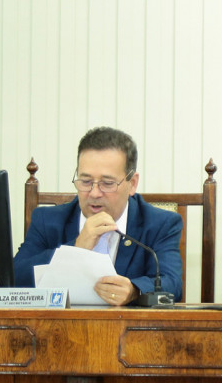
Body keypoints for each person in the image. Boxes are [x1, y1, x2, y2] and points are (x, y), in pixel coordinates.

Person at [14, 127, 183, 305]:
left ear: (132, 183)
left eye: (107, 183)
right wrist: (76, 248)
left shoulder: (160, 224)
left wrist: (135, 291)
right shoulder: (47, 220)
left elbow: (172, 284)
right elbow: (14, 278)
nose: (94, 193)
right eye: (86, 181)